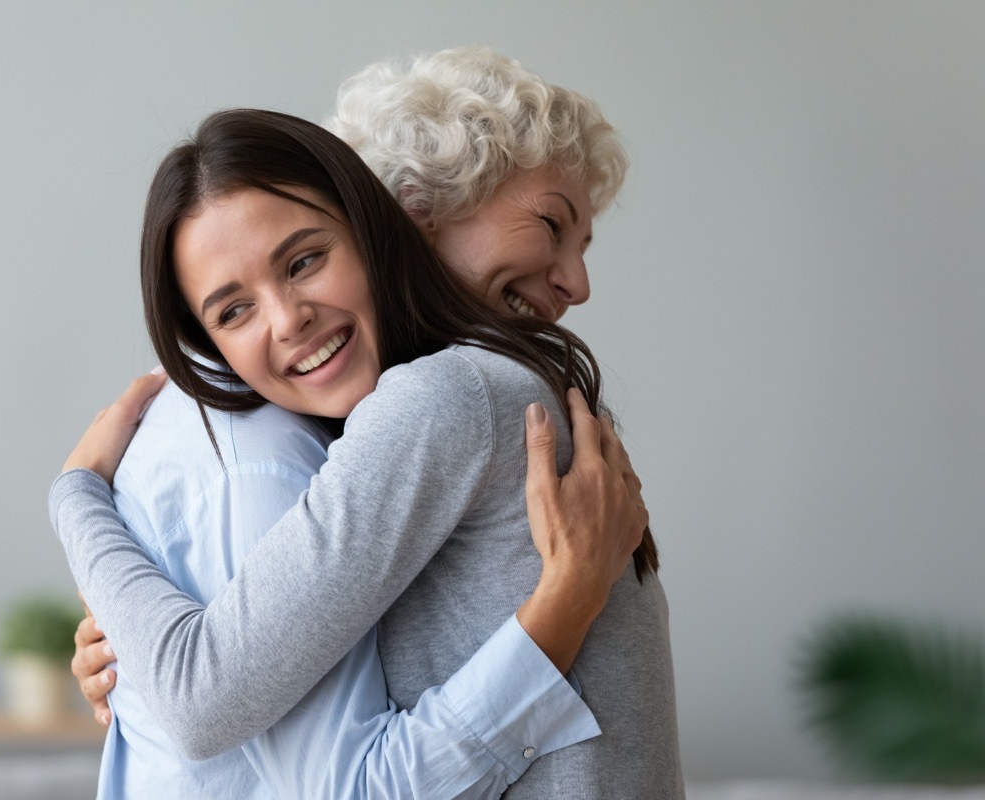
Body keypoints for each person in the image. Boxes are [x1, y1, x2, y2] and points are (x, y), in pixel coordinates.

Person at [56, 49, 682, 798]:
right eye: (551, 225)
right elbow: (209, 684)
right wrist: (129, 655)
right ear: (415, 207)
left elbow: (201, 696)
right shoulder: (479, 393)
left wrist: (75, 498)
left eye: (305, 261)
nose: (577, 283)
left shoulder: (451, 396)